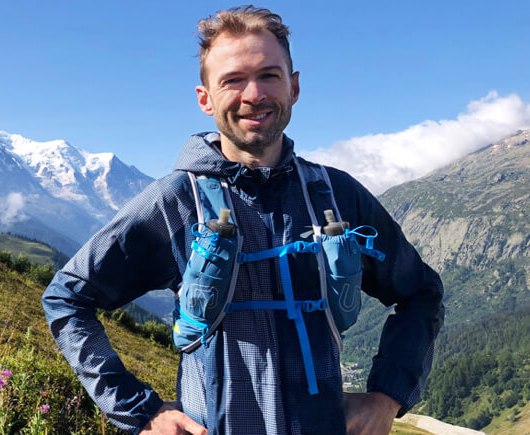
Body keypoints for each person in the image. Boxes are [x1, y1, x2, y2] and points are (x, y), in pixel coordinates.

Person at [42, 6, 444, 435]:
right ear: (205, 98)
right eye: (233, 80)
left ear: (293, 86)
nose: (254, 94)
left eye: (269, 75)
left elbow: (421, 292)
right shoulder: (177, 201)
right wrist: (141, 412)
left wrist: (386, 397)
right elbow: (68, 298)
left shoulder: (337, 196)